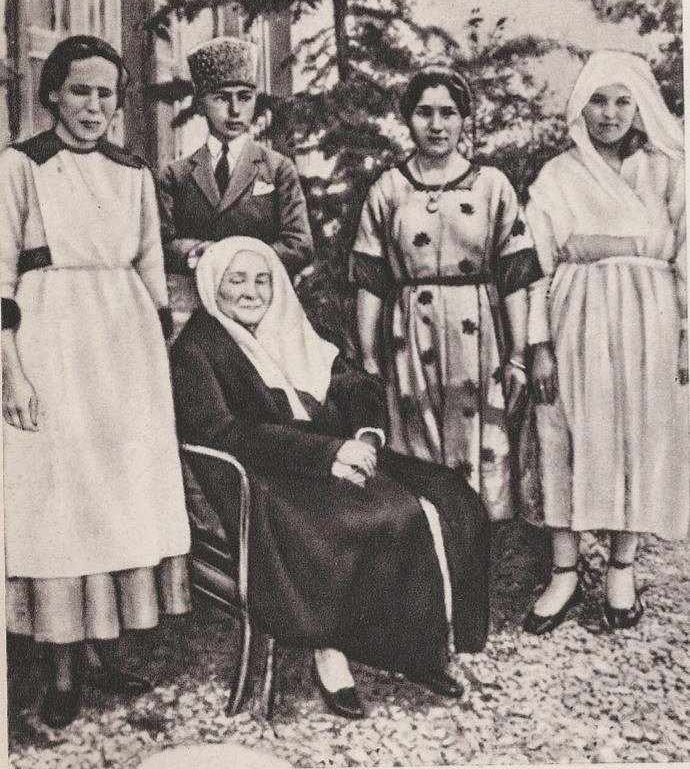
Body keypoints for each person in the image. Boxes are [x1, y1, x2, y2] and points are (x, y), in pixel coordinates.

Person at [170, 236, 490, 719]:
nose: (252, 292)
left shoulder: (290, 326)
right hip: (267, 477)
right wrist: (327, 455)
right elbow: (224, 432)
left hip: (334, 452)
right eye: (237, 280)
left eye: (262, 280)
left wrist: (364, 436)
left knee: (452, 498)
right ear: (215, 285)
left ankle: (417, 649)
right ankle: (331, 649)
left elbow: (353, 383)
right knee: (377, 515)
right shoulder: (198, 347)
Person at [1, 35, 191, 727]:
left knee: (118, 494)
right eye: (79, 90)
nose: (92, 106)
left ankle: (106, 653)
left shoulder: (132, 171)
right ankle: (60, 669)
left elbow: (150, 266)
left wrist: (157, 358)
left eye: (105, 93)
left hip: (124, 347)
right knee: (59, 499)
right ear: (53, 93)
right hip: (50, 338)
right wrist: (12, 372)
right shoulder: (20, 165)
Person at [522, 49, 689, 635]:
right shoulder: (557, 175)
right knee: (562, 432)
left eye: (623, 101)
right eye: (598, 100)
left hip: (650, 318)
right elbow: (536, 266)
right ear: (580, 106)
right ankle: (564, 571)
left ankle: (622, 566)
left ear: (640, 107)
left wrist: (687, 334)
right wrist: (539, 344)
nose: (610, 114)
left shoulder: (668, 169)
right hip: (576, 313)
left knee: (638, 435)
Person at [351, 65, 545, 521]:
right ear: (408, 118)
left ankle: (479, 547)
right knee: (416, 443)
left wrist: (518, 355)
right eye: (424, 112)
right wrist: (369, 359)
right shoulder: (389, 188)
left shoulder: (492, 185)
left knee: (480, 444)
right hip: (410, 335)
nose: (436, 125)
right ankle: (428, 549)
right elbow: (369, 279)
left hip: (478, 334)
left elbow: (516, 275)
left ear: (463, 119)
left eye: (448, 113)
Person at [157, 37, 313, 334]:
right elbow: (160, 245)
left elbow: (300, 244)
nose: (235, 110)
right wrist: (197, 252)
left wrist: (240, 262)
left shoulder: (277, 169)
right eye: (221, 98)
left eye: (245, 97)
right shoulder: (175, 176)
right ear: (200, 104)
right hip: (197, 313)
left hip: (263, 311)